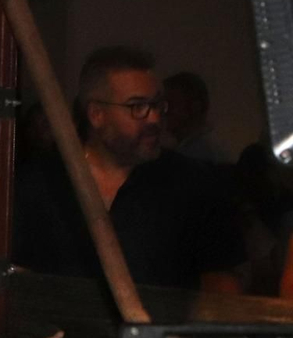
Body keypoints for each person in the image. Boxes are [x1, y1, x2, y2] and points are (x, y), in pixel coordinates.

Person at [14, 46, 246, 292]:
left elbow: (222, 283)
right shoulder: (41, 183)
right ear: (96, 114)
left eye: (158, 105)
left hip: (160, 329)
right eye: (138, 107)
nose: (154, 119)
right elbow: (18, 277)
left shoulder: (193, 184)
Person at [162, 71, 231, 165]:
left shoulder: (198, 153)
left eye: (171, 104)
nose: (164, 111)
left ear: (195, 107)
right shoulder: (191, 149)